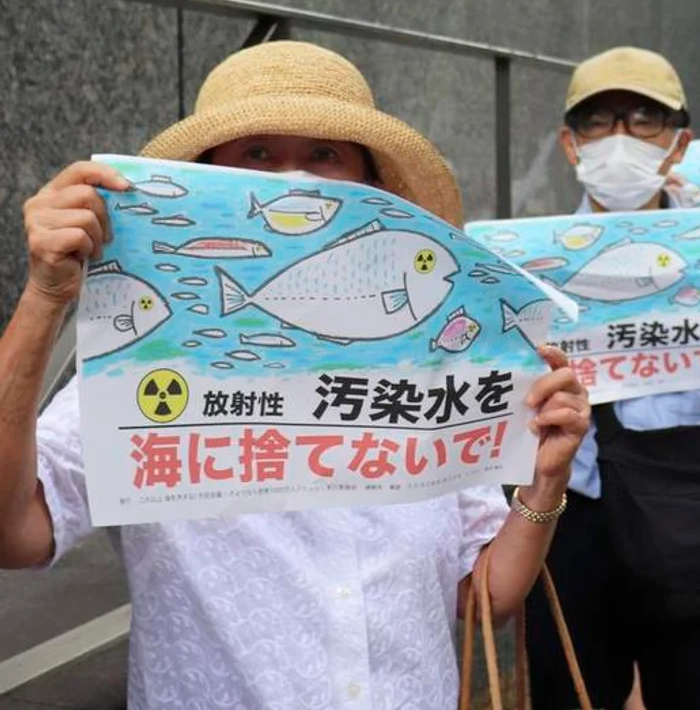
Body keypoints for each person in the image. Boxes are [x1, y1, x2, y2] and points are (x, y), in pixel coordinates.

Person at [0, 41, 592, 710]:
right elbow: (14, 532)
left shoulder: (433, 369)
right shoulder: (146, 370)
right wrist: (44, 298)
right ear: (203, 177)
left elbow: (483, 595)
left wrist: (546, 477)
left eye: (324, 156)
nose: (294, 181)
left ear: (371, 190)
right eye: (256, 154)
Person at [525, 46, 700, 710]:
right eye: (596, 122)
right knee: (571, 695)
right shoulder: (524, 261)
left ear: (678, 144)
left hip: (696, 513)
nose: (619, 139)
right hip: (573, 518)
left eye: (643, 120)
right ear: (569, 144)